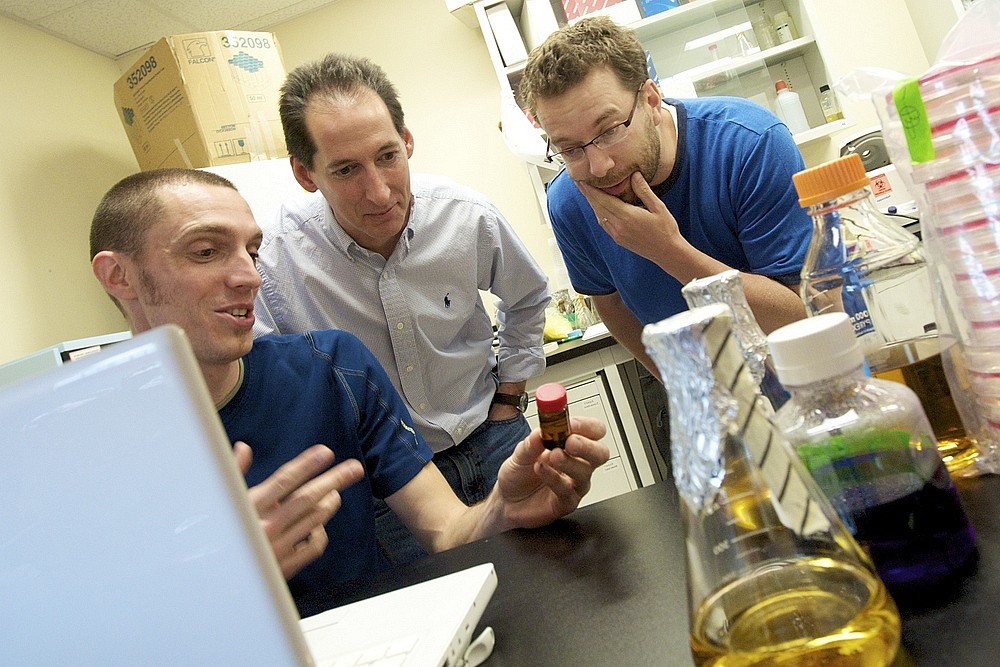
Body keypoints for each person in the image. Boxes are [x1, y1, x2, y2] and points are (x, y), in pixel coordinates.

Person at [88, 168, 609, 612]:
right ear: (119, 276)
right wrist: (221, 582)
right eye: (206, 252)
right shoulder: (71, 447)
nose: (249, 276)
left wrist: (502, 510)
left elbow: (446, 532)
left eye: (252, 250)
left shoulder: (332, 369)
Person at [252, 54, 551, 565]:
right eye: (346, 170)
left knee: (555, 587)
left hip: (496, 439)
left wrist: (509, 400)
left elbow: (527, 297)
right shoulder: (275, 263)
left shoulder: (465, 217)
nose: (379, 190)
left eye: (388, 156)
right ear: (305, 173)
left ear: (407, 141)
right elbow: (266, 388)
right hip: (392, 492)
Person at [518, 16, 812, 378]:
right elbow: (610, 302)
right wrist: (683, 389)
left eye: (609, 131)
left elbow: (799, 317)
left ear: (651, 100)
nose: (598, 165)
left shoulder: (749, 143)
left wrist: (668, 251)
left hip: (809, 378)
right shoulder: (568, 202)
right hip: (713, 411)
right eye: (570, 149)